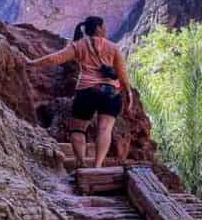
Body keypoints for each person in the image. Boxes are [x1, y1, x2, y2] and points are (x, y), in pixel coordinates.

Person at [27, 16, 133, 169]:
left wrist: (31, 63)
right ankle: (97, 166)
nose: (106, 29)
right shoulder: (113, 47)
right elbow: (122, 73)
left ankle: (81, 163)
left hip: (86, 91)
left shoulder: (78, 46)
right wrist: (128, 92)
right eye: (104, 26)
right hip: (111, 92)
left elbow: (54, 59)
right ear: (97, 28)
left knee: (77, 128)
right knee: (105, 129)